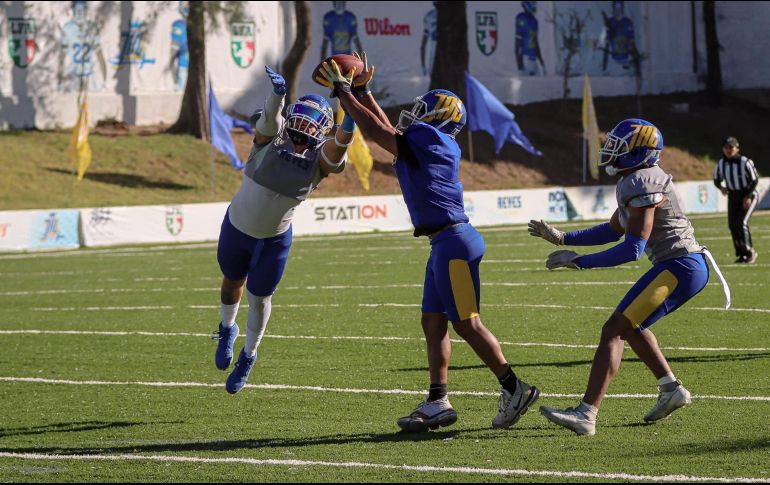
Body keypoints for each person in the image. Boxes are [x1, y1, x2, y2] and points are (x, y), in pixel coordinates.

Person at [318, 53, 540, 433]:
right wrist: (363, 92)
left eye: (424, 110)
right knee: (433, 322)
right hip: (445, 243)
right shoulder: (431, 140)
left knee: (467, 324)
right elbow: (387, 129)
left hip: (453, 242)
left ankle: (514, 387)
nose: (415, 115)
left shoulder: (429, 138)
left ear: (439, 118)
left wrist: (344, 92)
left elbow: (377, 131)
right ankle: (438, 401)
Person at [529, 119, 730, 436]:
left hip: (681, 266)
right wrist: (564, 238)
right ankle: (671, 389)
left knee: (614, 330)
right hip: (678, 266)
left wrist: (581, 262)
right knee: (632, 327)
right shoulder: (633, 179)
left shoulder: (643, 181)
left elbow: (632, 248)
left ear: (638, 152)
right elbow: (613, 229)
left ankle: (586, 414)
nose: (609, 149)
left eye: (617, 145)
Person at [213, 66, 352, 394]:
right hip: (238, 227)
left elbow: (340, 145)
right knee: (232, 281)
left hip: (273, 240)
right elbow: (268, 121)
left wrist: (351, 112)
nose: (303, 126)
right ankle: (226, 328)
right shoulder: (271, 138)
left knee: (260, 297)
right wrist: (277, 94)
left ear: (322, 129)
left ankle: (249, 354)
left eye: (311, 123)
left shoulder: (321, 160)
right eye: (300, 119)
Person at [713, 136, 760, 264]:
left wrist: (748, 196)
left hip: (748, 195)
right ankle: (741, 253)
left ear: (737, 148)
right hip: (733, 196)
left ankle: (750, 251)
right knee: (732, 225)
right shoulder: (721, 163)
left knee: (741, 222)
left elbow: (754, 180)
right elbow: (716, 179)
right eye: (726, 147)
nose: (729, 150)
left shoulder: (745, 162)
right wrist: (721, 187)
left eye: (731, 147)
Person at [601, 0, 638, 76]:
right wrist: (604, 67)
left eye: (619, 7)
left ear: (622, 7)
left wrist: (635, 63)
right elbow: (606, 44)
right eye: (615, 7)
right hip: (613, 62)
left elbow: (632, 44)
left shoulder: (628, 22)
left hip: (626, 60)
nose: (618, 10)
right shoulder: (609, 22)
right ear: (613, 8)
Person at [515, 1, 546, 76]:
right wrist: (520, 65)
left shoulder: (534, 21)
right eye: (532, 2)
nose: (534, 5)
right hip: (525, 58)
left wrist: (540, 59)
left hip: (534, 59)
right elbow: (518, 43)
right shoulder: (521, 18)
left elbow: (535, 41)